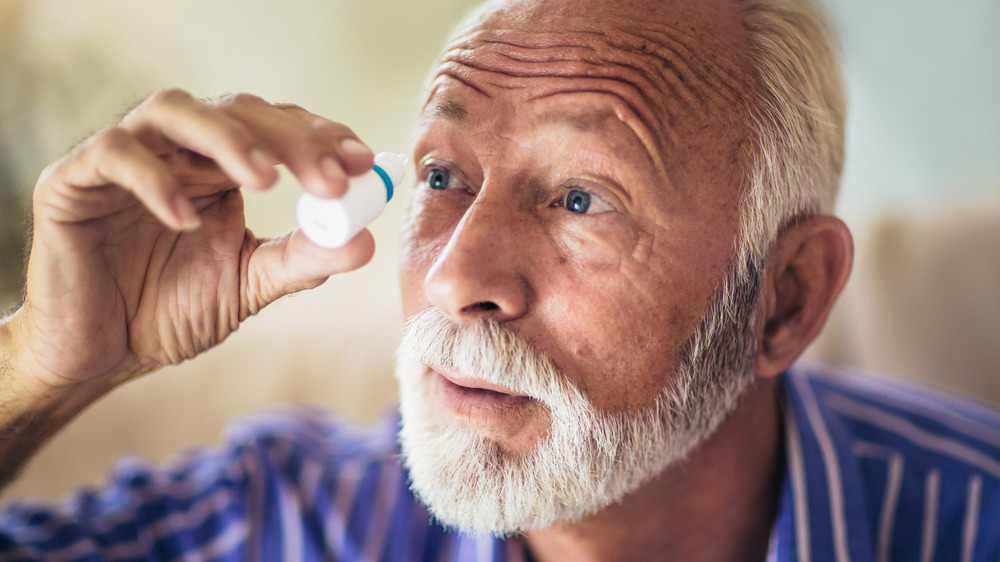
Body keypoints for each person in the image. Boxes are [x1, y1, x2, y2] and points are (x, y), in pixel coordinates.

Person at [1, 0, 998, 559]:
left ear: (782, 299)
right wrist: (43, 360)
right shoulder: (288, 520)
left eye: (578, 198)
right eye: (441, 176)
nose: (455, 278)